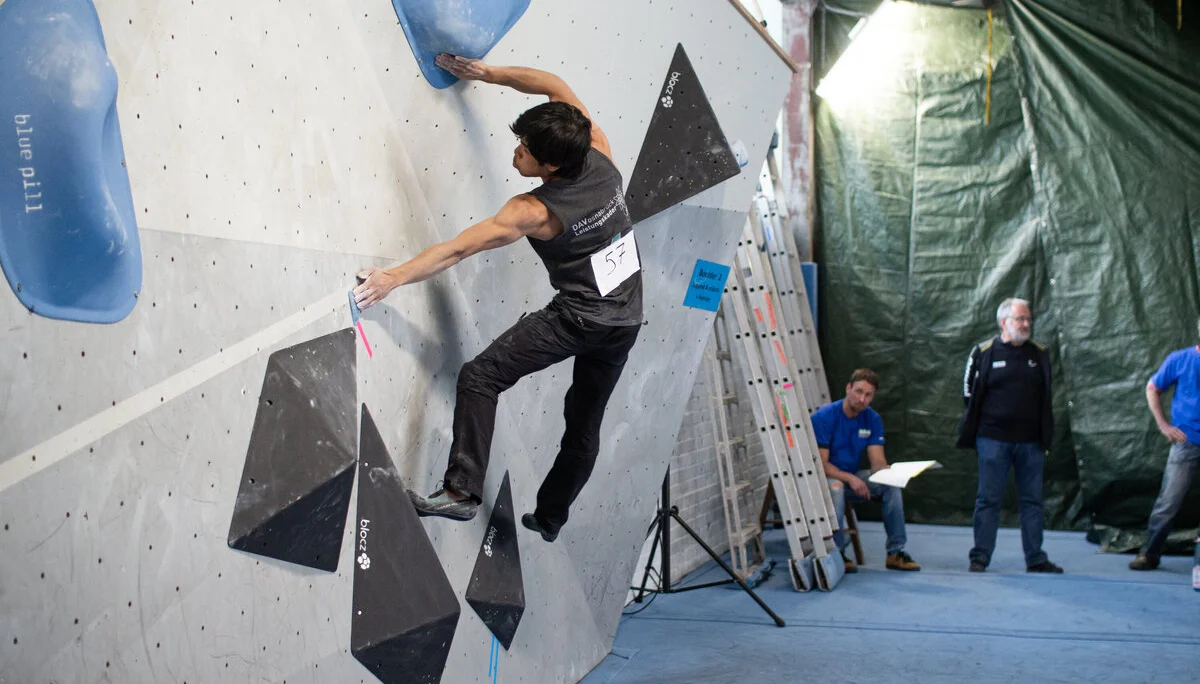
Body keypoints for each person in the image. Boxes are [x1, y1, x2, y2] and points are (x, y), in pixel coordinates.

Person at [353, 54, 642, 543]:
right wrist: (489, 75)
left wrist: (392, 278)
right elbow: (552, 80)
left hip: (580, 318)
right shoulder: (595, 146)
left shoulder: (534, 210)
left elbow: (458, 248)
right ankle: (551, 517)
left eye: (525, 151)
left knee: (481, 376)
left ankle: (461, 493)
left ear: (550, 167)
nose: (516, 153)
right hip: (626, 319)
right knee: (584, 425)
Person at [958, 298, 1062, 573]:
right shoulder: (983, 352)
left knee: (1032, 501)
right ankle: (980, 556)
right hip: (992, 440)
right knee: (988, 499)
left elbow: (1047, 394)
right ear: (1004, 322)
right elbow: (968, 393)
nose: (1027, 324)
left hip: (1031, 443)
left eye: (1028, 319)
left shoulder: (1040, 353)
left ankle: (1036, 558)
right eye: (1020, 319)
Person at [812, 369, 920, 572]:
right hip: (826, 479)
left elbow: (877, 462)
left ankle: (895, 552)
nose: (862, 399)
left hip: (852, 478)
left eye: (868, 395)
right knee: (836, 487)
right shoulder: (824, 417)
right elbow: (821, 465)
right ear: (848, 388)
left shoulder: (872, 419)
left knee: (890, 486)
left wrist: (889, 472)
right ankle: (836, 554)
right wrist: (850, 478)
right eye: (858, 391)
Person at [1128, 331, 1200, 571]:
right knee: (1169, 501)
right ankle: (1150, 553)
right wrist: (1163, 425)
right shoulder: (1179, 359)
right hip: (1186, 442)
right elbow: (1152, 387)